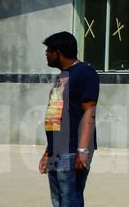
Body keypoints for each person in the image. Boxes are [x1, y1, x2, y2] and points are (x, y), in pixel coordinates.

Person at [38, 31, 99, 207]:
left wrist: (83, 150)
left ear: (58, 52)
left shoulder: (85, 73)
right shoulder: (63, 76)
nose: (46, 54)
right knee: (58, 201)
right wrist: (48, 151)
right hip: (57, 149)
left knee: (70, 200)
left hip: (72, 149)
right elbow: (56, 116)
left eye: (49, 50)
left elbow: (89, 113)